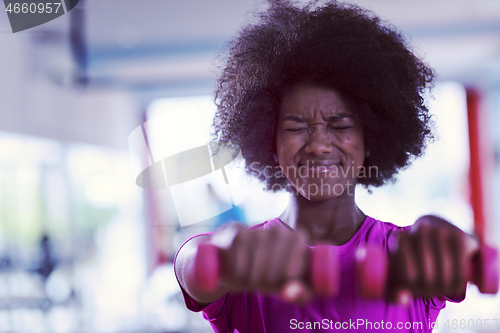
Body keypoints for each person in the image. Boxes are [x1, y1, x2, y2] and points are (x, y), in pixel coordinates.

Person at [174, 1, 479, 332]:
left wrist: (449, 240)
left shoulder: (406, 254)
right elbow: (192, 265)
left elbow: (463, 258)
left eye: (340, 125)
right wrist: (222, 257)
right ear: (269, 143)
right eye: (295, 127)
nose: (318, 144)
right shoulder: (243, 261)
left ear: (371, 139)